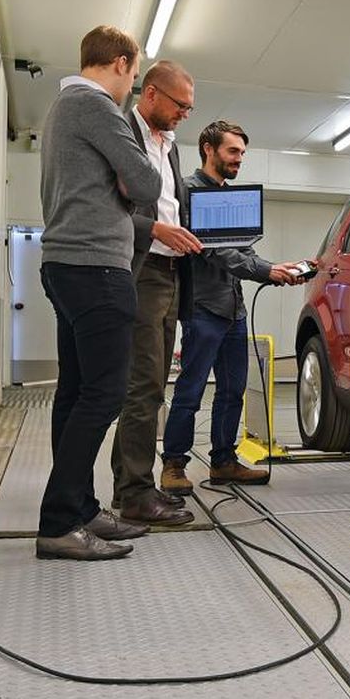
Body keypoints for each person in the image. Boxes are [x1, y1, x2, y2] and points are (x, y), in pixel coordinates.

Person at [36, 25, 163, 561]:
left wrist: (122, 181)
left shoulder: (62, 107)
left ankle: (81, 509)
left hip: (66, 264)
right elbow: (148, 184)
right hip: (97, 267)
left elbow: (127, 183)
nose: (131, 86)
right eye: (133, 74)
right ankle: (59, 522)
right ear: (120, 63)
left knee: (75, 393)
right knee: (105, 395)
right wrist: (127, 180)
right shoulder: (97, 106)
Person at [160, 121, 307, 491]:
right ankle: (174, 464)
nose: (239, 158)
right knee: (191, 390)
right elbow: (214, 250)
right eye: (232, 151)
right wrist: (265, 271)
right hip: (203, 308)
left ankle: (223, 461)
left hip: (234, 310)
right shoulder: (188, 193)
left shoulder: (231, 197)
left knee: (232, 390)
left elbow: (243, 249)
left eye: (242, 152)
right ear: (208, 149)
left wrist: (277, 267)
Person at [109, 60, 202, 526]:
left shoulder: (171, 145)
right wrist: (157, 229)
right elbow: (108, 209)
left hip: (171, 273)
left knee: (153, 385)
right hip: (142, 270)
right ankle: (134, 495)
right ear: (150, 94)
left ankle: (133, 485)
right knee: (143, 386)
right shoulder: (121, 132)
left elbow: (170, 203)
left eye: (189, 107)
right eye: (180, 105)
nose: (185, 114)